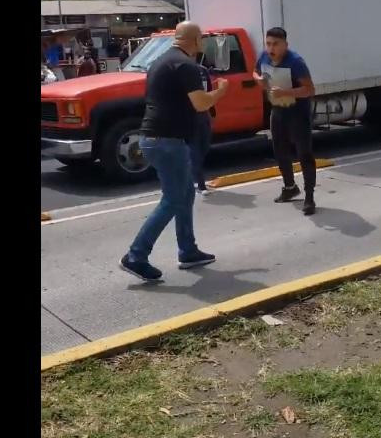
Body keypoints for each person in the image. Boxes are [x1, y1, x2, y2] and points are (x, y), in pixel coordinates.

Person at [120, 21, 229, 282]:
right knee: (173, 199)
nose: (203, 44)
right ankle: (136, 255)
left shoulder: (161, 61)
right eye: (201, 39)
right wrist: (221, 91)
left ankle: (188, 251)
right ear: (196, 40)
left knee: (185, 193)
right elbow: (201, 104)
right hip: (167, 141)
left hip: (155, 138)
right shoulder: (186, 65)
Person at [253, 27, 317, 215]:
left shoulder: (295, 62)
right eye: (268, 44)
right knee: (280, 151)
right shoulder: (264, 56)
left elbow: (310, 89)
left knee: (304, 153)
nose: (271, 48)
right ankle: (290, 187)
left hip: (298, 112)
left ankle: (309, 197)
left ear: (285, 45)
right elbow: (254, 72)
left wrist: (286, 92)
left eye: (275, 44)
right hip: (278, 110)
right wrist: (259, 80)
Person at [190, 54, 216, 195]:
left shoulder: (202, 71)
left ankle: (193, 177)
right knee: (195, 150)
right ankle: (200, 184)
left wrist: (212, 111)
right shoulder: (180, 73)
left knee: (204, 146)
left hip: (204, 114)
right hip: (189, 116)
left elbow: (209, 92)